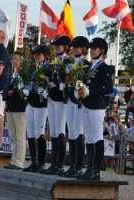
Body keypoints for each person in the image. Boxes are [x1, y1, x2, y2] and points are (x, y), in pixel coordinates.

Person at [78, 37, 113, 180]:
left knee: (97, 136)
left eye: (95, 48)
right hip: (86, 104)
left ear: (102, 51)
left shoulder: (104, 67)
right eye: (91, 49)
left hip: (97, 106)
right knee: (89, 137)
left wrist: (91, 93)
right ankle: (89, 168)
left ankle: (96, 171)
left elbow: (109, 88)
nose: (92, 51)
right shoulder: (90, 66)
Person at [42, 34, 71, 175]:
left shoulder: (68, 62)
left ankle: (59, 164)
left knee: (59, 130)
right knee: (52, 131)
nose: (56, 47)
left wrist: (54, 89)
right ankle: (54, 162)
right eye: (55, 45)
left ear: (66, 47)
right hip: (52, 98)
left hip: (60, 99)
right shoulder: (54, 62)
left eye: (59, 45)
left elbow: (66, 82)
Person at [62, 36, 91, 177]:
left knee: (78, 132)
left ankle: (79, 166)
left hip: (79, 101)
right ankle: (72, 164)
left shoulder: (87, 64)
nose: (74, 50)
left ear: (84, 49)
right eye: (74, 47)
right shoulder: (69, 62)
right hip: (69, 99)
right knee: (71, 132)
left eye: (78, 47)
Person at [22, 45, 52, 173]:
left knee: (39, 133)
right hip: (31, 103)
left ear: (45, 56)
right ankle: (33, 162)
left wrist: (45, 91)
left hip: (41, 105)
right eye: (35, 54)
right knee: (31, 133)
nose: (36, 56)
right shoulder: (32, 69)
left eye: (39, 54)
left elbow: (50, 85)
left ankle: (41, 163)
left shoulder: (48, 69)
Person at [2, 51, 28, 169]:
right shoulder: (12, 75)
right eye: (13, 59)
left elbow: (24, 91)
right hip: (10, 107)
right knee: (12, 136)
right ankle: (13, 160)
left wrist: (12, 92)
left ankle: (19, 162)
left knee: (20, 137)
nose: (14, 61)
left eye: (17, 59)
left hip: (20, 108)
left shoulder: (24, 74)